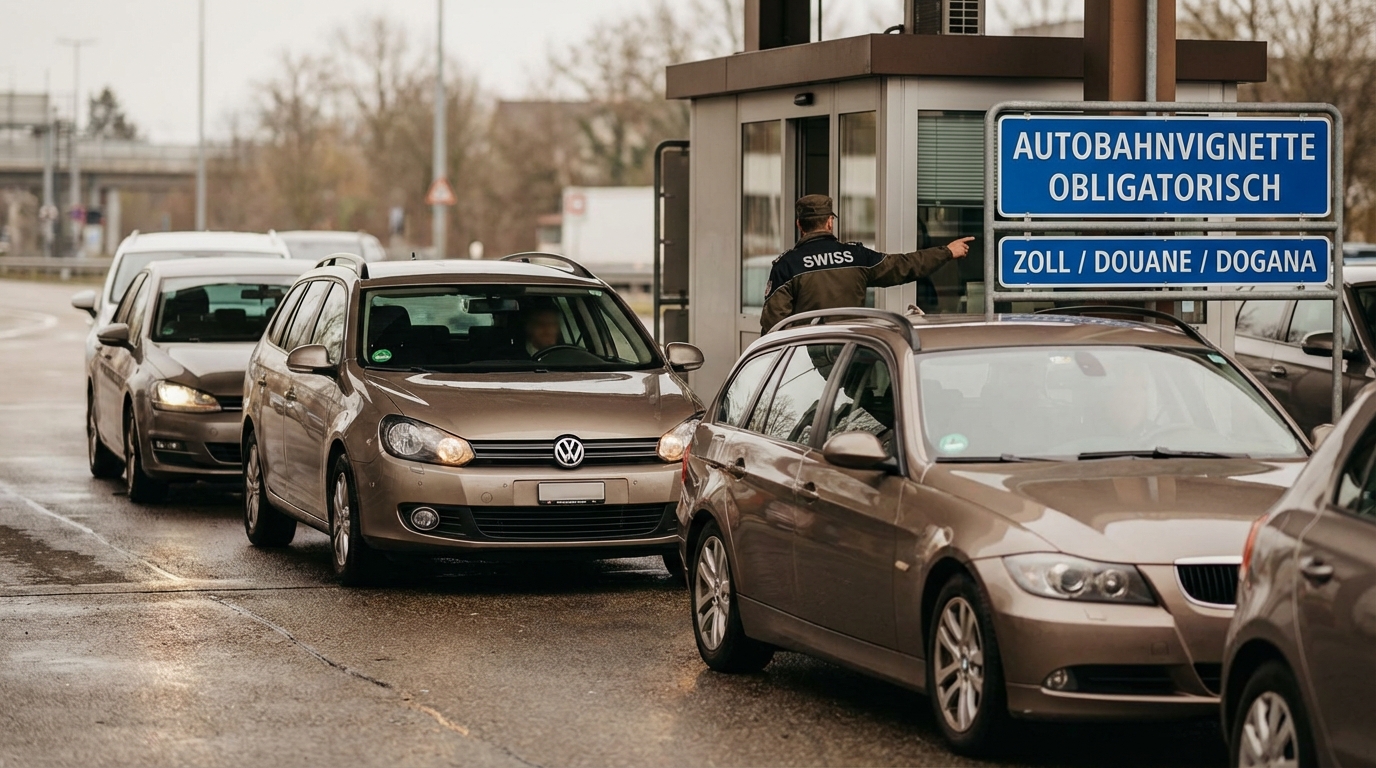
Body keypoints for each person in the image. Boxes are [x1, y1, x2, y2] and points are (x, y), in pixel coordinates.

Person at [760, 195, 974, 333]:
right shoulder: (856, 256)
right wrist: (947, 251)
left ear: (799, 224)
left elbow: (774, 324)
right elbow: (904, 265)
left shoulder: (787, 265)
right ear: (830, 222)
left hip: (806, 359)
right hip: (849, 351)